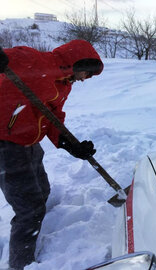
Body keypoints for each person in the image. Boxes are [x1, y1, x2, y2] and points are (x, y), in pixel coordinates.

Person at [0, 40, 103, 270]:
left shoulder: (64, 83)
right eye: (88, 72)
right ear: (78, 62)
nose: (86, 78)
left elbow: (52, 116)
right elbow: (9, 56)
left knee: (43, 191)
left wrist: (69, 144)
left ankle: (36, 228)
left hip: (28, 140)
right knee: (29, 208)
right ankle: (20, 264)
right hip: (5, 143)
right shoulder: (34, 60)